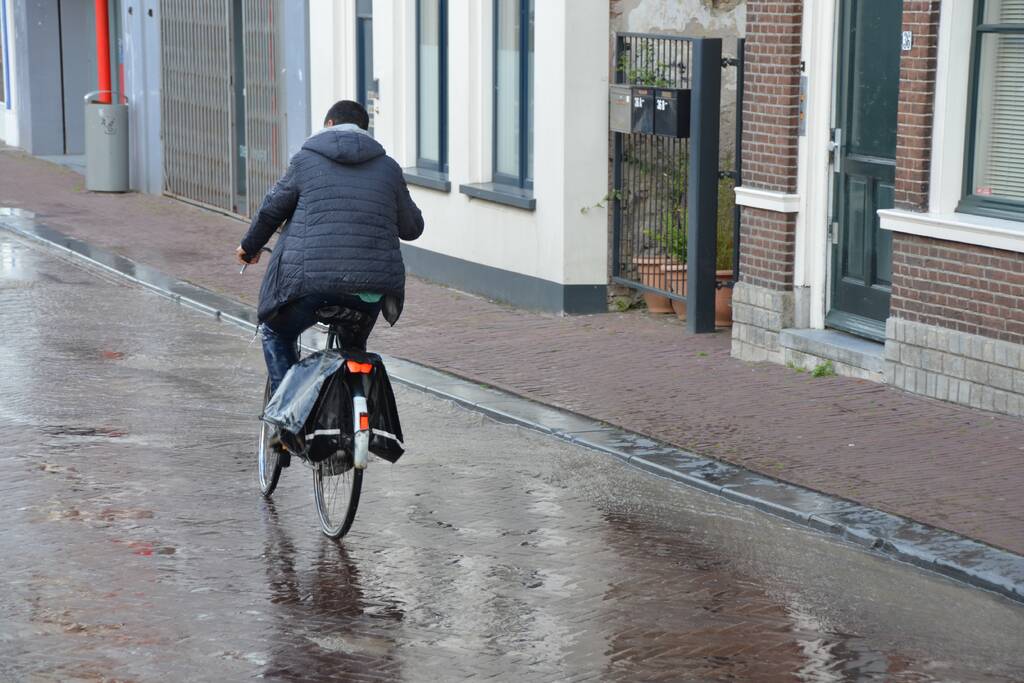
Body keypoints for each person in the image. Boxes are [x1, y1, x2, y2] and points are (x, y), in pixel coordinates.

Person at [236, 100, 424, 454]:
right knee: (354, 346)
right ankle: (348, 420)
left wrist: (249, 247)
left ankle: (286, 422)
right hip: (370, 292)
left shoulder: (306, 161)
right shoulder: (388, 168)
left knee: (276, 332)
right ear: (364, 129)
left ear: (329, 123)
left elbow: (271, 209)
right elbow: (413, 228)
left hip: (311, 285)